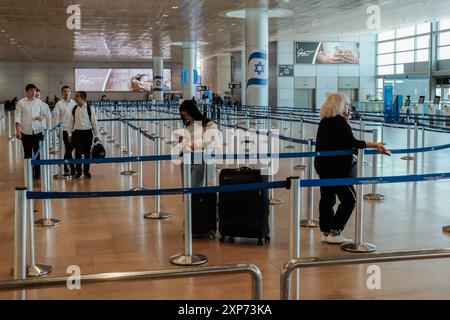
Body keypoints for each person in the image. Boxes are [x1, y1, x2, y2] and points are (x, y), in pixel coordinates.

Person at [314, 93, 390, 244]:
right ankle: (335, 232)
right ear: (341, 106)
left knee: (327, 199)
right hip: (337, 169)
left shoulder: (324, 121)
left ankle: (326, 231)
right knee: (350, 199)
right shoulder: (339, 122)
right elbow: (352, 142)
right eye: (347, 105)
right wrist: (375, 144)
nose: (348, 108)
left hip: (323, 166)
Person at [14, 84, 51, 179]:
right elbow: (17, 117)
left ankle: (37, 173)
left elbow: (44, 114)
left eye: (34, 90)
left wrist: (41, 117)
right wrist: (18, 131)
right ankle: (29, 172)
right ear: (26, 92)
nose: (33, 92)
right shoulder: (21, 103)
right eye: (31, 90)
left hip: (38, 132)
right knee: (27, 154)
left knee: (38, 154)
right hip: (25, 132)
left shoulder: (39, 102)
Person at [179, 100, 217, 187]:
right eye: (184, 115)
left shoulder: (208, 125)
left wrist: (198, 144)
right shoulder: (189, 125)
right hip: (186, 157)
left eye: (187, 115)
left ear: (193, 112)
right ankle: (188, 200)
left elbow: (212, 140)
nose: (186, 118)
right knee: (186, 185)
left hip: (199, 158)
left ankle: (196, 199)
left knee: (195, 185)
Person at [67, 91, 99, 180]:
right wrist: (69, 133)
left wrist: (97, 136)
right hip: (77, 133)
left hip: (88, 133)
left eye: (77, 96)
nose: (75, 97)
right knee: (78, 153)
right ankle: (79, 171)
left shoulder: (89, 108)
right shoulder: (74, 109)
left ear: (82, 98)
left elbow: (94, 122)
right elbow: (70, 121)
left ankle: (86, 170)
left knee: (87, 153)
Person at [54, 85, 77, 176]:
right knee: (68, 148)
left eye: (68, 91)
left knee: (70, 149)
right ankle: (72, 168)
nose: (66, 93)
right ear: (62, 93)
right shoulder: (59, 104)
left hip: (73, 129)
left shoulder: (74, 103)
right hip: (63, 130)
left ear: (70, 93)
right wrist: (57, 131)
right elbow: (56, 118)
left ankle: (63, 163)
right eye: (64, 91)